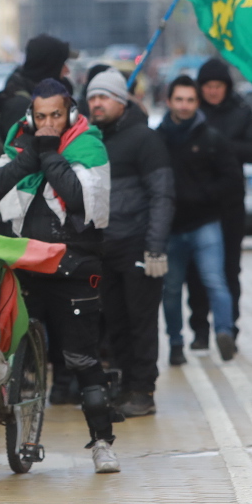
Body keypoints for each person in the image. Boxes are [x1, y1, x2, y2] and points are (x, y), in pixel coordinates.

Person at [0, 80, 120, 472]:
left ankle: (101, 441)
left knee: (80, 356)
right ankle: (6, 424)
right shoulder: (19, 143)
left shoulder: (89, 145)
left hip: (75, 266)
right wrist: (31, 157)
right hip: (25, 263)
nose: (47, 124)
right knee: (10, 350)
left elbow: (79, 197)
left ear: (71, 114)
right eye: (40, 116)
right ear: (31, 115)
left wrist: (48, 155)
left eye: (55, 116)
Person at [86, 68, 173, 418]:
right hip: (104, 248)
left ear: (121, 101)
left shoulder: (144, 140)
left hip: (137, 245)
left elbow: (163, 195)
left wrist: (154, 247)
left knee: (141, 321)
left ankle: (143, 390)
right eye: (92, 97)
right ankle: (124, 386)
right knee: (115, 321)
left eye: (104, 97)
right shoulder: (92, 140)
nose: (97, 104)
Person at [159, 77, 241, 363]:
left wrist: (204, 195)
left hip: (205, 224)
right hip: (170, 228)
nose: (184, 106)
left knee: (215, 281)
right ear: (169, 101)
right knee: (170, 290)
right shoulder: (158, 138)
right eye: (179, 99)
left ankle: (224, 332)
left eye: (190, 100)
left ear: (197, 103)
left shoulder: (211, 138)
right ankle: (176, 343)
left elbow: (231, 178)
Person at [191, 57, 252, 346]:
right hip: (196, 203)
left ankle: (229, 327)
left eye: (217, 86)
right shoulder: (192, 112)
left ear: (226, 86)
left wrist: (222, 148)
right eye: (207, 86)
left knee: (229, 269)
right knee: (196, 272)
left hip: (230, 204)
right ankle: (199, 329)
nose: (212, 91)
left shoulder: (241, 112)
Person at [0, 34, 71, 138]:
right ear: (49, 66)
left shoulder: (43, 93)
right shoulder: (19, 105)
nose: (67, 70)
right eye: (62, 64)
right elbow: (18, 149)